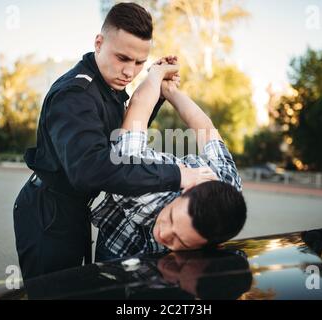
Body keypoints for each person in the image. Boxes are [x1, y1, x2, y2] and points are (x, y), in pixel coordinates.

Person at [13, 2, 213, 280]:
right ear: (99, 42)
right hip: (47, 214)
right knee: (54, 291)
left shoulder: (106, 85)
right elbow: (92, 170)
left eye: (139, 62)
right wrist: (177, 174)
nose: (130, 72)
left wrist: (156, 87)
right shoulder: (75, 94)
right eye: (122, 58)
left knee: (77, 286)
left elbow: (121, 135)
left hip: (73, 209)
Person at [92, 60, 247, 262]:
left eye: (180, 240)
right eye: (171, 217)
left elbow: (205, 129)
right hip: (121, 245)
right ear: (185, 190)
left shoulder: (227, 185)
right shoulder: (141, 184)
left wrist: (165, 87)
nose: (164, 234)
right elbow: (138, 110)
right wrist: (158, 79)